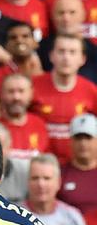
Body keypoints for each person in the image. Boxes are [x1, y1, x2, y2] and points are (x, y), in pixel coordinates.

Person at [31, 34, 97, 164]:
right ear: (51, 56)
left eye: (72, 52)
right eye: (61, 51)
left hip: (76, 166)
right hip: (40, 165)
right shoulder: (32, 87)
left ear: (82, 59)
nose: (66, 58)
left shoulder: (91, 91)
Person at [0, 73, 52, 157]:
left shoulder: (39, 125)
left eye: (21, 91)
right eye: (10, 91)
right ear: (1, 94)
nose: (16, 97)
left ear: (31, 94)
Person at [60, 113, 97, 222]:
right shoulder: (60, 173)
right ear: (70, 141)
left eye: (88, 138)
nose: (83, 143)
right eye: (78, 138)